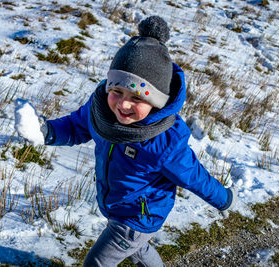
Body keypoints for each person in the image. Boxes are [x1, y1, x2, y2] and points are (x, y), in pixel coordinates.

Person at [16, 16, 237, 267]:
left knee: (97, 262)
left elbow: (194, 176)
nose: (123, 104)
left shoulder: (163, 142)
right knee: (139, 252)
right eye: (117, 91)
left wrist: (223, 199)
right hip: (117, 205)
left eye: (137, 97)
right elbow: (76, 126)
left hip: (138, 217)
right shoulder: (101, 111)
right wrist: (45, 132)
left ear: (156, 102)